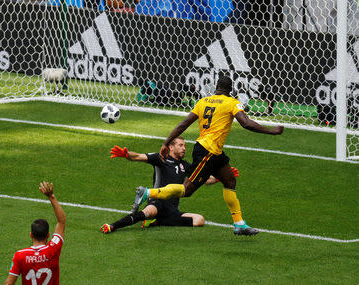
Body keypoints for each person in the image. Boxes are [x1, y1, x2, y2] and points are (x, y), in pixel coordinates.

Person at [131, 75, 284, 236]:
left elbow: (184, 124)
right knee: (187, 189)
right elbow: (245, 123)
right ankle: (147, 193)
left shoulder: (203, 101)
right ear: (230, 90)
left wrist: (166, 142)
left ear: (216, 87)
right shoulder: (232, 102)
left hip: (214, 151)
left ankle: (239, 224)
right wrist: (271, 131)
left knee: (230, 180)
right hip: (207, 151)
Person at [100, 138, 239, 234]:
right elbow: (138, 157)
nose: (184, 148)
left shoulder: (186, 166)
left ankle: (157, 222)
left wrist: (221, 178)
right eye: (181, 145)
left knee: (199, 220)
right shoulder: (161, 158)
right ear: (171, 147)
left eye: (184, 146)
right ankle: (113, 226)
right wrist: (126, 155)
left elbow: (204, 179)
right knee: (148, 212)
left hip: (172, 209)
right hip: (157, 202)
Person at [4, 181, 66, 285]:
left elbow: (9, 283)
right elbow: (62, 221)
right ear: (48, 235)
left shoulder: (20, 255)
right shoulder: (53, 249)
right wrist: (51, 197)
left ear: (31, 235)